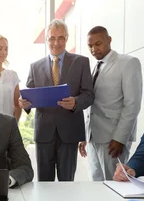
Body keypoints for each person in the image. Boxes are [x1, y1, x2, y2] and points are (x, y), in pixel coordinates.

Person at [19, 19, 95, 181]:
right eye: (52, 38)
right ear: (47, 39)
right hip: (44, 132)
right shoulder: (35, 66)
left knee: (66, 182)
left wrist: (75, 102)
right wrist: (24, 104)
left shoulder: (81, 62)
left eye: (61, 38)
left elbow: (89, 95)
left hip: (69, 132)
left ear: (67, 38)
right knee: (44, 183)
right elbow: (29, 97)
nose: (56, 42)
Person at [79, 26, 143, 181]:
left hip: (113, 139)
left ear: (109, 40)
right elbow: (91, 104)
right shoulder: (95, 66)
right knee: (96, 185)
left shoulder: (128, 63)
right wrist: (84, 136)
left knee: (115, 184)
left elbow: (132, 104)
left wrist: (120, 138)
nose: (94, 49)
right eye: (90, 46)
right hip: (94, 137)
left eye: (98, 43)